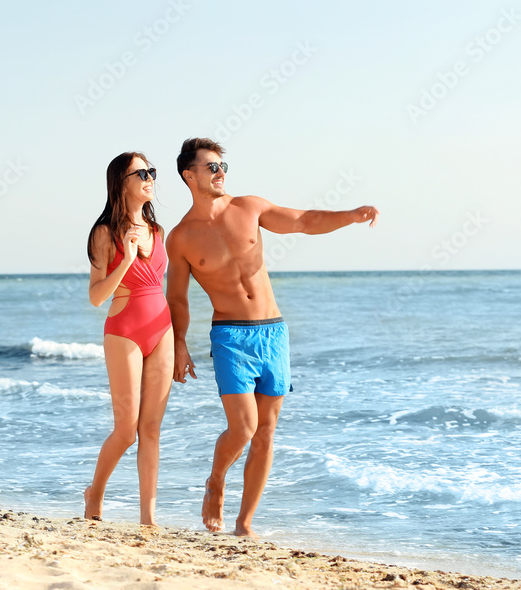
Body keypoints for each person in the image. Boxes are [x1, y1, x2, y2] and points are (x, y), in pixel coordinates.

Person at [165, 137, 379, 537]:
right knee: (243, 426)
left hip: (272, 333)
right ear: (188, 174)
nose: (221, 173)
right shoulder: (180, 238)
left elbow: (303, 221)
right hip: (230, 336)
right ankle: (215, 480)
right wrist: (179, 344)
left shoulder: (248, 207)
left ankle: (244, 524)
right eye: (211, 167)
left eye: (223, 166)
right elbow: (176, 298)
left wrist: (349, 215)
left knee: (265, 432)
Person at [85, 152, 174, 526]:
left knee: (151, 428)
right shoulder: (105, 233)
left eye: (152, 172)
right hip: (124, 332)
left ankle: (148, 519)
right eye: (143, 173)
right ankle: (95, 493)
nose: (151, 178)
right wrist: (125, 257)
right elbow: (95, 296)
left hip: (162, 330)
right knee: (126, 430)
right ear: (122, 183)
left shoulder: (159, 232)